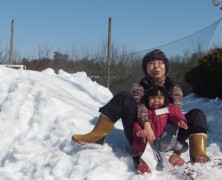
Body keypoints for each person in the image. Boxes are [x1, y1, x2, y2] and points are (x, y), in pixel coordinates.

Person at [72, 49, 208, 167]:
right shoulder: (139, 86)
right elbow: (139, 106)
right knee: (123, 97)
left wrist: (161, 120)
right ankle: (97, 136)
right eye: (151, 64)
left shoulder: (174, 88)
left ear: (165, 66)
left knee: (197, 114)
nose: (156, 66)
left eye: (160, 63)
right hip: (141, 134)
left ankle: (199, 156)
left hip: (169, 136)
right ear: (145, 68)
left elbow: (174, 110)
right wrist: (147, 126)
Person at [132, 85, 188, 174]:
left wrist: (180, 120)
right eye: (153, 98)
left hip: (163, 141)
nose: (156, 100)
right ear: (148, 99)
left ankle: (182, 166)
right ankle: (145, 167)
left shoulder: (167, 109)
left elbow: (175, 114)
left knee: (170, 154)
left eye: (160, 98)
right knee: (147, 156)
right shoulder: (146, 111)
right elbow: (137, 123)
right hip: (149, 143)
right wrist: (138, 132)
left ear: (165, 99)